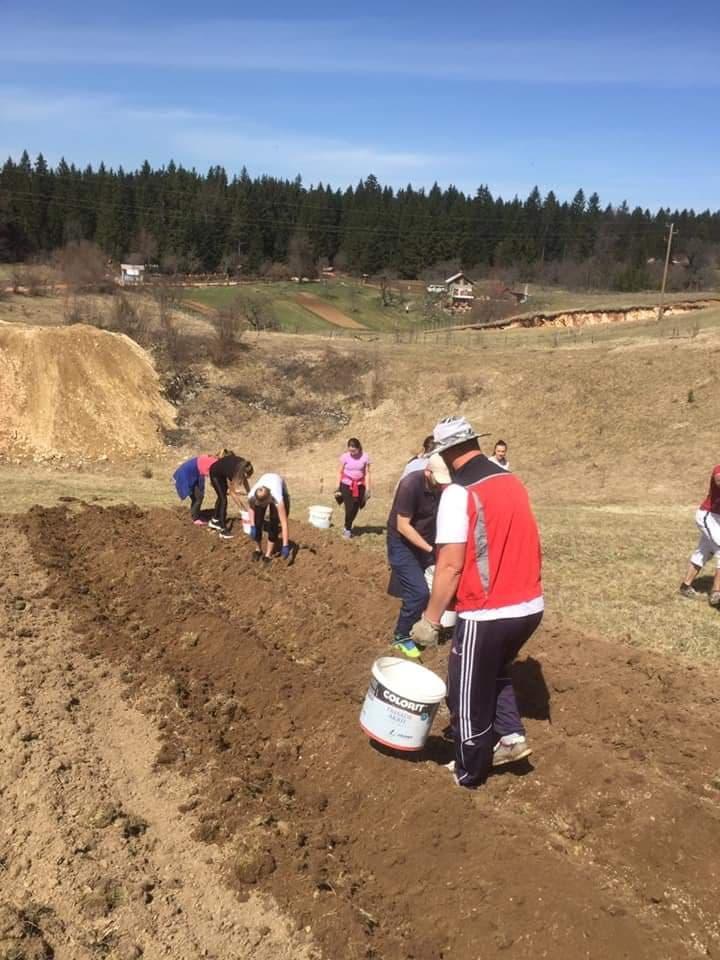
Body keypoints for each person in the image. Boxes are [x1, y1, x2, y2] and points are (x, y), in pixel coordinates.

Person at [411, 416, 543, 788]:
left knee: (463, 688)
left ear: (446, 453)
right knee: (495, 669)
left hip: (489, 611)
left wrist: (431, 619)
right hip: (530, 605)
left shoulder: (459, 493)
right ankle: (510, 738)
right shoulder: (509, 478)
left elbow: (450, 565)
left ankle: (470, 770)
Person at [387, 454, 451, 660]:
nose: (441, 485)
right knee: (419, 592)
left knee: (442, 582)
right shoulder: (410, 485)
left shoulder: (442, 487)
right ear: (428, 472)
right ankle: (401, 636)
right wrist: (431, 550)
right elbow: (403, 526)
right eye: (438, 480)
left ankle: (427, 621)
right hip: (402, 543)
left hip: (427, 540)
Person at [679, 465, 720, 607]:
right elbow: (718, 480)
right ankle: (716, 593)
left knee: (704, 551)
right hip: (708, 516)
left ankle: (685, 586)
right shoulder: (719, 468)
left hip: (718, 519)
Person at [172, 449, 230, 525]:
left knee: (197, 496)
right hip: (186, 475)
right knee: (198, 497)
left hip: (190, 474)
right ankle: (195, 518)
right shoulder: (214, 463)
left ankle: (195, 514)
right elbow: (214, 481)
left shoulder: (213, 459)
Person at [208, 453, 254, 539]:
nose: (245, 479)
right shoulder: (233, 472)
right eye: (245, 476)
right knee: (223, 499)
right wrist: (242, 509)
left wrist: (250, 493)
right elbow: (232, 493)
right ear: (242, 473)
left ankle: (214, 520)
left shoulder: (244, 464)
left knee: (221, 496)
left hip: (221, 472)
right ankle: (223, 530)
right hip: (215, 474)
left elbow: (244, 480)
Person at [248, 472, 292, 562]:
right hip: (266, 479)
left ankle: (268, 555)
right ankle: (258, 550)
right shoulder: (252, 496)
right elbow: (251, 508)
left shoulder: (277, 498)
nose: (262, 506)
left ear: (269, 499)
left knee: (274, 523)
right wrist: (252, 525)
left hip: (278, 485)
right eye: (259, 504)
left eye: (263, 504)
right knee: (258, 522)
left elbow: (284, 523)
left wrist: (285, 545)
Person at [336, 437, 371, 539]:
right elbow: (339, 472)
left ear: (358, 448)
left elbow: (368, 473)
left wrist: (368, 488)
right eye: (350, 449)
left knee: (356, 507)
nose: (352, 452)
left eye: (354, 450)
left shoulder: (365, 457)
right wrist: (337, 487)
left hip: (359, 485)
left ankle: (348, 524)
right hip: (346, 484)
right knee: (349, 507)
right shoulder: (345, 457)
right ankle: (347, 528)